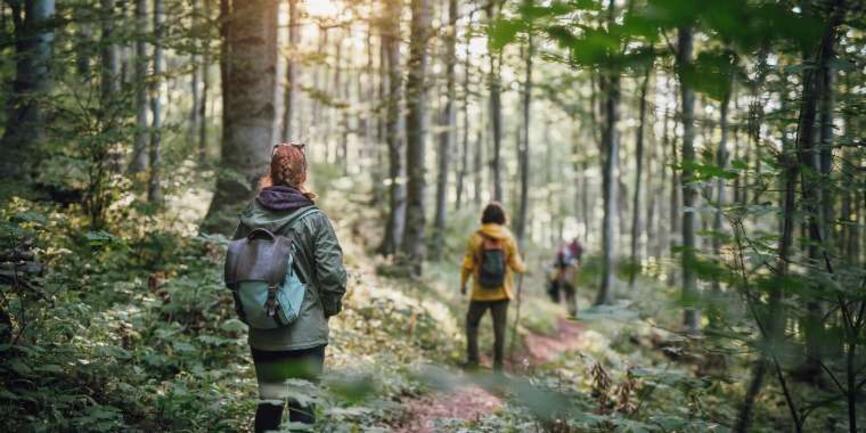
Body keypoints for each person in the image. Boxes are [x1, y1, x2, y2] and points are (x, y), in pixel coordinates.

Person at [231, 143, 347, 433]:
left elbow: (236, 267)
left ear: (271, 173)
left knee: (268, 405)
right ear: (303, 175)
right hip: (305, 334)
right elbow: (332, 276)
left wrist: (247, 308)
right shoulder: (315, 220)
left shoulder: (250, 216)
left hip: (263, 329)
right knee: (302, 410)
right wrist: (328, 310)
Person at [459, 202, 526, 372]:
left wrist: (463, 284)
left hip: (480, 291)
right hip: (502, 292)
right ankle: (498, 367)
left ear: (484, 217)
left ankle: (473, 362)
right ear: (502, 218)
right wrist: (523, 267)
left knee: (472, 324)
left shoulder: (476, 237)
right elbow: (516, 265)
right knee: (500, 329)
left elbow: (468, 264)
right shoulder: (508, 238)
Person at [552, 238, 583, 317]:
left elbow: (559, 261)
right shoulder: (571, 250)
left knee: (567, 289)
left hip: (566, 269)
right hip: (568, 269)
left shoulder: (568, 250)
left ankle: (571, 309)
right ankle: (571, 309)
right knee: (570, 292)